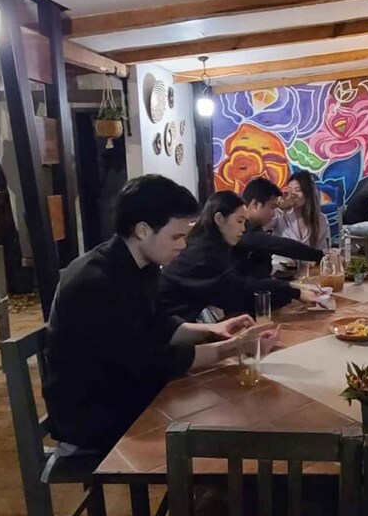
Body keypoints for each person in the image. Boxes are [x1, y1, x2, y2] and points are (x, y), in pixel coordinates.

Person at [44, 175, 276, 452]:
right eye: (176, 236)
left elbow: (157, 324)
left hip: (127, 389)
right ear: (143, 230)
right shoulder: (95, 280)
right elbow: (147, 362)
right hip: (95, 416)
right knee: (227, 423)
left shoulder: (142, 264)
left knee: (233, 403)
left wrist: (212, 331)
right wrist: (231, 348)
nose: (183, 245)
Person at [160, 191, 322, 322]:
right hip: (167, 328)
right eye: (239, 221)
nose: (243, 229)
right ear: (219, 219)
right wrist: (294, 292)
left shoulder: (210, 244)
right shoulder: (202, 253)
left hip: (182, 321)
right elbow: (240, 290)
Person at [237, 177, 323, 279]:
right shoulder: (240, 230)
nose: (274, 214)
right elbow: (281, 245)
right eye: (272, 207)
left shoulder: (255, 228)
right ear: (255, 204)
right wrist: (321, 255)